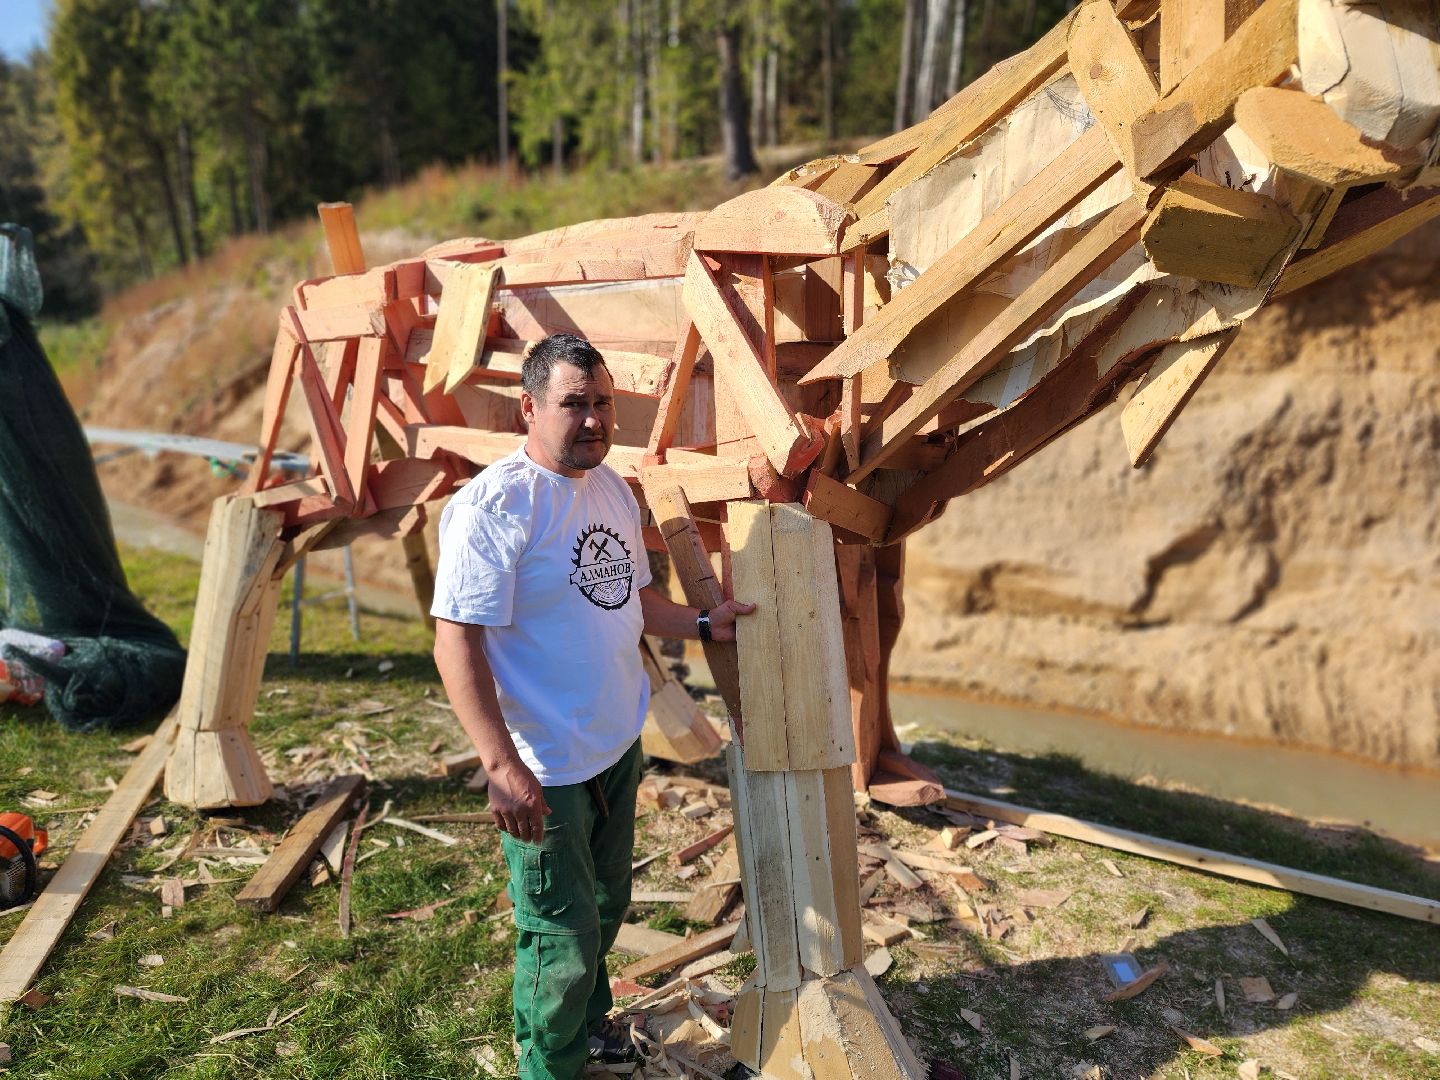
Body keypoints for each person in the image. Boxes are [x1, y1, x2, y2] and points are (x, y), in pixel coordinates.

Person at [431, 333, 753, 1080]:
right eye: (574, 403)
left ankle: (578, 1024)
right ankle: (551, 1065)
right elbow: (456, 646)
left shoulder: (608, 486)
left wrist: (704, 623)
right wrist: (500, 765)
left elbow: (630, 597)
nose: (594, 419)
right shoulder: (494, 507)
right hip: (544, 763)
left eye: (603, 402)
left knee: (606, 904)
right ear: (529, 407)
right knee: (561, 934)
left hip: (613, 745)